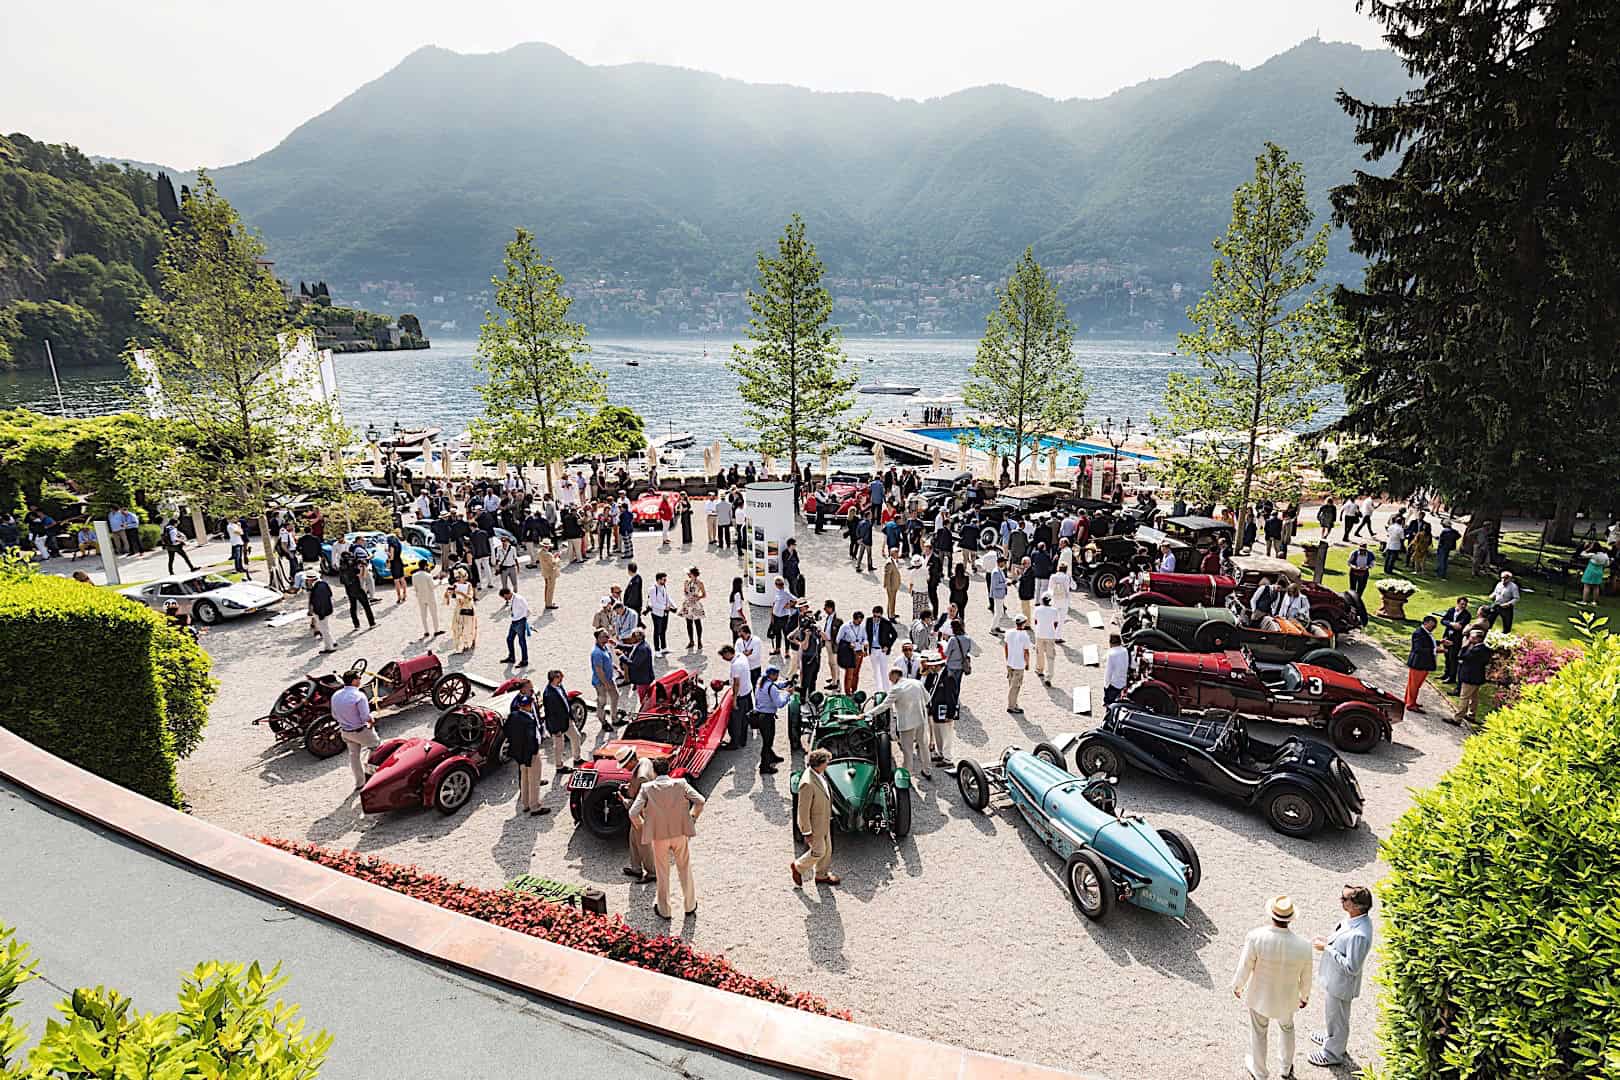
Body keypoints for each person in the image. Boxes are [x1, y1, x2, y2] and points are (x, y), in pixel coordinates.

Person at [1231, 895, 1314, 1080]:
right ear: (1291, 919)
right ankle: (1285, 1068)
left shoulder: (1256, 937)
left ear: (1271, 915)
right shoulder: (1304, 945)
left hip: (1260, 996)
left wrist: (1238, 985)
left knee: (1259, 1032)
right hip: (1287, 998)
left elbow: (1245, 965)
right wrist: (1304, 996)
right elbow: (1306, 976)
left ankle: (1260, 1072)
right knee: (1287, 1028)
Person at [627, 756, 705, 919]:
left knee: (662, 873)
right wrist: (692, 817)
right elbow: (700, 801)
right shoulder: (681, 784)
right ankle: (690, 905)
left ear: (654, 772)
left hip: (659, 836)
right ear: (668, 769)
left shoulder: (647, 788)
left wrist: (642, 826)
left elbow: (633, 813)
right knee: (685, 868)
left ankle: (665, 910)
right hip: (679, 833)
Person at [1310, 885, 1375, 1069]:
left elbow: (1351, 967)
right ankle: (1332, 1037)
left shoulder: (1360, 935)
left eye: (1345, 899)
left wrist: (1327, 948)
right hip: (1335, 980)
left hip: (1342, 984)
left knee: (1338, 1018)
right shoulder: (1354, 919)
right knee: (1334, 1015)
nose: (1341, 900)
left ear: (1356, 906)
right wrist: (1329, 941)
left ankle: (1333, 1053)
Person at [791, 747, 839, 887]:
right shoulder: (807, 783)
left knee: (827, 850)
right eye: (826, 762)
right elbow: (802, 811)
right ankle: (798, 867)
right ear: (820, 763)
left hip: (824, 820)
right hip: (815, 825)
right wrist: (806, 832)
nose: (828, 764)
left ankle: (821, 875)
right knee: (818, 851)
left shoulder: (818, 774)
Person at [330, 670, 380, 792]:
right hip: (360, 730)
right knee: (375, 747)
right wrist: (372, 719)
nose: (360, 680)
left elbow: (334, 715)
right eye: (359, 678)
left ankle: (360, 782)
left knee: (354, 756)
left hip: (345, 732)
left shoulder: (336, 695)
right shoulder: (359, 696)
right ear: (354, 681)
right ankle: (372, 776)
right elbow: (365, 717)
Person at [934, 619, 970, 769]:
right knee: (956, 687)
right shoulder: (967, 638)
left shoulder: (953, 640)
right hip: (960, 666)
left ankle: (952, 704)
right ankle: (954, 702)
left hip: (951, 666)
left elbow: (946, 653)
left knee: (949, 687)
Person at [504, 687, 546, 815]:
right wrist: (533, 751)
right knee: (534, 780)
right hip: (530, 754)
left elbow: (506, 730)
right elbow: (531, 738)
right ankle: (535, 806)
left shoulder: (513, 716)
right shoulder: (528, 720)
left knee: (524, 779)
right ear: (529, 706)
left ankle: (525, 804)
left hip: (519, 753)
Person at [618, 747, 657, 882]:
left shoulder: (641, 778)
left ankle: (652, 873)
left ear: (631, 761)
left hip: (644, 813)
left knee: (643, 843)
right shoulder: (645, 761)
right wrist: (629, 788)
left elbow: (639, 803)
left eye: (625, 765)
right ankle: (636, 868)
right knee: (633, 839)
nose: (625, 768)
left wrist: (624, 800)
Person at [887, 668, 930, 780]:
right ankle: (927, 770)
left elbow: (884, 705)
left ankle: (908, 772)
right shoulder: (917, 683)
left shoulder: (896, 689)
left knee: (907, 749)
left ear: (895, 675)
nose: (890, 680)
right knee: (923, 745)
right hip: (920, 719)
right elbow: (927, 698)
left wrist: (867, 714)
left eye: (890, 677)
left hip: (906, 724)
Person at [752, 665, 792, 774]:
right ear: (772, 675)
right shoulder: (772, 688)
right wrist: (788, 693)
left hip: (759, 716)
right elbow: (780, 703)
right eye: (777, 675)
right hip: (767, 718)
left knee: (767, 740)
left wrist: (785, 684)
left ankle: (772, 756)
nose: (778, 676)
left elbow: (775, 685)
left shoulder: (761, 681)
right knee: (767, 742)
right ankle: (764, 766)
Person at [542, 668, 582, 774]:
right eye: (560, 677)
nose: (562, 679)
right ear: (554, 678)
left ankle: (577, 758)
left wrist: (570, 717)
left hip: (566, 720)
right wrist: (555, 729)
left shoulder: (559, 686)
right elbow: (551, 714)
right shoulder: (549, 694)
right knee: (559, 747)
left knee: (576, 737)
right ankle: (559, 766)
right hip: (557, 724)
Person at [1456, 628, 1491, 725]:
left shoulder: (1475, 650)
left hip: (1469, 677)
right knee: (1474, 697)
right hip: (1478, 677)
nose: (1469, 639)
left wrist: (1464, 646)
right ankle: (1471, 714)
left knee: (1464, 697)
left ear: (1478, 639)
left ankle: (1457, 718)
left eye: (1472, 637)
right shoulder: (1485, 649)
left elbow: (1462, 656)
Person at [1404, 615, 1438, 712]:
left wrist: (1439, 643)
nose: (1433, 628)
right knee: (1414, 685)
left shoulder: (1426, 633)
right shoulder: (1418, 633)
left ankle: (1409, 700)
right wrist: (1435, 650)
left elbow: (1428, 642)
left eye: (1434, 626)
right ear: (1425, 623)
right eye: (1432, 625)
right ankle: (1411, 704)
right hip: (1419, 663)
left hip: (1423, 663)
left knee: (1414, 685)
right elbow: (1418, 649)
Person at [339, 548, 376, 632]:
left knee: (353, 607)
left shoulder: (341, 567)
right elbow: (362, 575)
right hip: (357, 589)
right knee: (366, 606)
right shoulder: (353, 567)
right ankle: (372, 623)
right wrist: (364, 565)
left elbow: (342, 581)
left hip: (349, 590)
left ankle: (356, 625)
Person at [591, 630, 621, 730]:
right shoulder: (596, 653)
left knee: (615, 696)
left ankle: (614, 718)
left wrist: (615, 668)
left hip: (609, 679)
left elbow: (608, 660)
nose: (608, 638)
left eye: (607, 636)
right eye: (605, 636)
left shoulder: (604, 647)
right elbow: (598, 670)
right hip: (601, 682)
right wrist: (605, 683)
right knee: (602, 702)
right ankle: (603, 722)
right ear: (598, 638)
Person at [1004, 614, 1033, 715]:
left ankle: (1014, 703)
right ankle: (1011, 706)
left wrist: (1007, 658)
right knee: (1015, 687)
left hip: (1010, 662)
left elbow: (1006, 646)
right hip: (1019, 664)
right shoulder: (1025, 636)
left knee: (1011, 684)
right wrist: (1027, 663)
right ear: (1024, 623)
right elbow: (1026, 652)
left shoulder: (1009, 632)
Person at [1439, 597, 1471, 684]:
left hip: (1456, 639)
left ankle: (1452, 677)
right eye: (1462, 604)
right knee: (1446, 656)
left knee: (1453, 658)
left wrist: (1452, 624)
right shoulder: (1451, 610)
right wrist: (1451, 624)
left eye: (1465, 604)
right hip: (1447, 636)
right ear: (1458, 603)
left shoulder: (1466, 615)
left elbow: (1459, 626)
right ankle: (1446, 673)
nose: (1463, 606)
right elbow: (1443, 621)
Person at [1032, 593, 1061, 686]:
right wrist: (1051, 630)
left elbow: (1035, 621)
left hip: (1039, 634)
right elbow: (1056, 623)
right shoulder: (1054, 611)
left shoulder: (1037, 609)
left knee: (1039, 653)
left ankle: (1040, 670)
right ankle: (1049, 676)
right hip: (1050, 635)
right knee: (1050, 657)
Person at [866, 605, 897, 690]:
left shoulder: (886, 623)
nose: (876, 618)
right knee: (875, 671)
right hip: (872, 649)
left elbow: (894, 635)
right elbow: (866, 634)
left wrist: (888, 646)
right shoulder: (868, 621)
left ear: (881, 615)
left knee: (884, 670)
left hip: (882, 650)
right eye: (874, 616)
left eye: (878, 617)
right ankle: (878, 689)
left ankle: (886, 690)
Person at [622, 629, 655, 711]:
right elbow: (632, 648)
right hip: (644, 677)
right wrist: (616, 645)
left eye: (632, 637)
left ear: (637, 638)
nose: (630, 638)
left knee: (643, 700)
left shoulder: (642, 649)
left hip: (642, 679)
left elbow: (634, 664)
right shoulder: (641, 645)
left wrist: (621, 657)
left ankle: (646, 713)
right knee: (645, 698)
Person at [305, 570, 336, 652]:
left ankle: (329, 647)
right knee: (326, 628)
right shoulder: (324, 584)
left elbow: (319, 602)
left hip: (322, 612)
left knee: (324, 630)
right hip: (327, 610)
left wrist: (321, 614)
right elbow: (330, 595)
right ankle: (332, 642)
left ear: (310, 580)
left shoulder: (317, 588)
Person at [836, 610, 866, 694]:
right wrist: (848, 644)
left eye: (861, 621)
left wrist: (865, 643)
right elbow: (838, 640)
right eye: (858, 621)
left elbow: (865, 638)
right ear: (854, 619)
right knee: (849, 673)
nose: (859, 623)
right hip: (849, 652)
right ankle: (848, 692)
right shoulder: (845, 627)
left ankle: (854, 690)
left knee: (856, 673)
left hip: (859, 651)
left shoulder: (862, 627)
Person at [499, 587, 530, 667]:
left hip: (520, 622)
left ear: (507, 594)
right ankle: (511, 657)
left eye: (505, 597)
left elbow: (527, 610)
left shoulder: (518, 599)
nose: (505, 599)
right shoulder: (513, 599)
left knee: (522, 642)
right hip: (514, 621)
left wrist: (523, 619)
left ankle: (524, 660)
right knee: (509, 639)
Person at [678, 566, 707, 652]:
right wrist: (687, 596)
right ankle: (691, 641)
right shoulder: (686, 582)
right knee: (688, 623)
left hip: (695, 604)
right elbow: (685, 591)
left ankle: (699, 641)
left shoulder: (700, 583)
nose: (688, 574)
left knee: (697, 623)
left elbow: (704, 594)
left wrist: (698, 597)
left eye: (689, 573)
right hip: (688, 604)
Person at [411, 565, 440, 637]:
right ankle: (436, 630)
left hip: (420, 597)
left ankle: (426, 631)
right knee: (434, 614)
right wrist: (439, 581)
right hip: (430, 596)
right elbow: (433, 586)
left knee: (423, 615)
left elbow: (415, 588)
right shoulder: (428, 575)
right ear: (425, 566)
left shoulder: (414, 576)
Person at [1104, 632, 1129, 705]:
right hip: (1123, 682)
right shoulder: (1125, 650)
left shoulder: (1111, 654)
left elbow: (1108, 672)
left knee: (1110, 704)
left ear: (1110, 643)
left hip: (1114, 684)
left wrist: (1106, 685)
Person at [988, 556, 1010, 634]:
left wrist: (1007, 581)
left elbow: (1002, 580)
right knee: (998, 613)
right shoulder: (996, 572)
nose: (1005, 563)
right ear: (999, 563)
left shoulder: (1000, 570)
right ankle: (992, 628)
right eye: (1004, 562)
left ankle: (997, 626)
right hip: (998, 595)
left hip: (1000, 594)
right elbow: (996, 585)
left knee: (1000, 612)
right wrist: (1006, 584)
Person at [882, 548, 903, 614]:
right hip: (891, 585)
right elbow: (887, 575)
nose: (898, 554)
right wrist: (888, 586)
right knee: (891, 600)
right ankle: (891, 615)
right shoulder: (889, 563)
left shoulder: (893, 560)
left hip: (894, 584)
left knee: (892, 600)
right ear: (894, 554)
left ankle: (892, 613)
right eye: (897, 553)